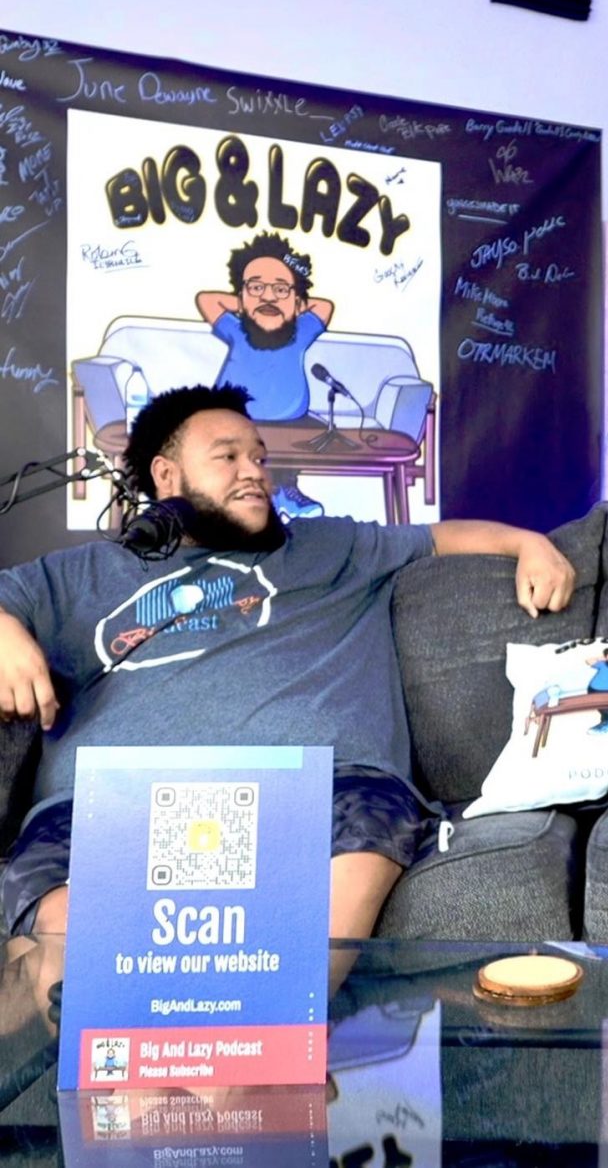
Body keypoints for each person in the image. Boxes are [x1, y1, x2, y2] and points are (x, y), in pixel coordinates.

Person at [0, 385, 575, 987]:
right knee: (52, 897)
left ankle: (282, 1017)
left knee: (372, 816)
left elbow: (441, 537)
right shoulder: (77, 576)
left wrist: (528, 544)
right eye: (228, 457)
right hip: (113, 804)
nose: (254, 472)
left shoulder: (328, 548)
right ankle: (97, 1032)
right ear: (166, 475)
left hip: (308, 792)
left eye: (259, 457)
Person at [196, 231, 335, 519]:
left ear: (298, 302)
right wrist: (248, 303)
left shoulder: (301, 330)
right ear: (241, 296)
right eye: (257, 287)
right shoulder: (236, 328)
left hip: (291, 420)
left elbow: (325, 306)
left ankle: (284, 491)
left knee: (306, 441)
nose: (269, 296)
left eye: (281, 289)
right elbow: (206, 299)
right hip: (236, 417)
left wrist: (284, 302)